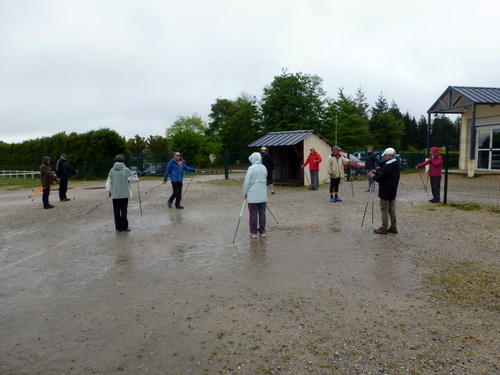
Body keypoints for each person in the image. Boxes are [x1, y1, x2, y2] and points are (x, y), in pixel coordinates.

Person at [368, 147, 400, 234]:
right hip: (393, 190)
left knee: (384, 209)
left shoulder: (387, 166)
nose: (385, 156)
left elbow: (381, 179)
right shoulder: (396, 164)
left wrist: (373, 176)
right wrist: (377, 173)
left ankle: (384, 228)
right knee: (391, 209)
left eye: (385, 155)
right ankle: (393, 227)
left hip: (385, 190)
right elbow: (385, 176)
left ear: (389, 155)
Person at [106, 154, 138, 232]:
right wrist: (137, 178)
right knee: (124, 210)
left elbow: (108, 182)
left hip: (115, 194)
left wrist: (109, 191)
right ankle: (124, 227)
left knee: (116, 211)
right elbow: (132, 179)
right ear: (123, 161)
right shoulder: (126, 169)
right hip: (124, 193)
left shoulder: (112, 170)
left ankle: (118, 227)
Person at [243, 152, 268, 238]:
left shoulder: (251, 168)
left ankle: (253, 232)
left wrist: (245, 193)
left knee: (253, 214)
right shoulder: (264, 168)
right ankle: (262, 231)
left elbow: (247, 183)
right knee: (262, 214)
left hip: (253, 196)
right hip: (262, 196)